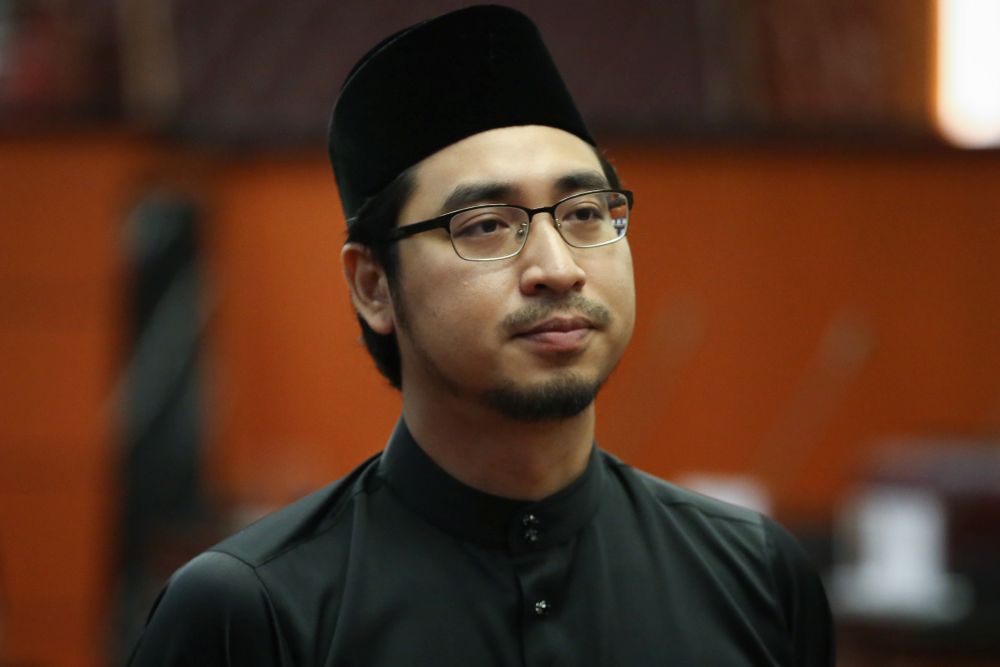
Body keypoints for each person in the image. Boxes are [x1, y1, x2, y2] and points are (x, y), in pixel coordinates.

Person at [128, 5, 834, 665]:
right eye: (488, 225)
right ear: (374, 285)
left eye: (586, 212)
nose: (558, 269)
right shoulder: (254, 610)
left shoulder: (759, 580)